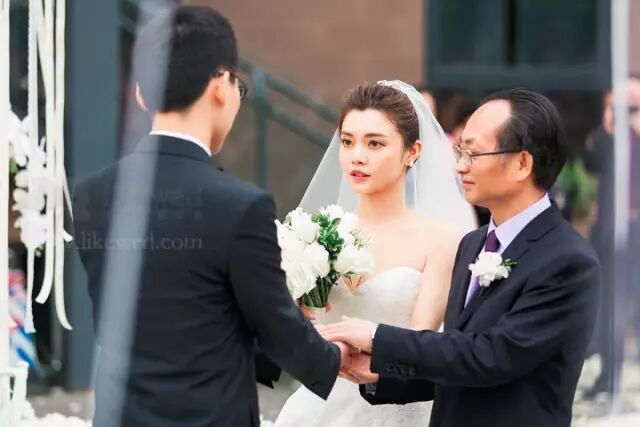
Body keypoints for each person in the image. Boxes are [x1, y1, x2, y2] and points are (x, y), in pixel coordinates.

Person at [72, 6, 347, 426]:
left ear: (142, 94)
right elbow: (277, 330)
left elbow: (164, 322)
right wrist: (334, 356)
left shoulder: (93, 194)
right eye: (240, 86)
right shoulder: (240, 206)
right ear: (221, 84)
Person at [320, 89, 600, 427]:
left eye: (473, 153)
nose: (459, 165)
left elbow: (492, 357)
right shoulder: (473, 243)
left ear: (522, 164)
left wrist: (378, 338)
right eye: (459, 150)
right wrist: (380, 375)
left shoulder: (568, 261)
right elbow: (457, 359)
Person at [274, 81, 476, 426]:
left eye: (375, 143)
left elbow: (422, 344)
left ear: (412, 152)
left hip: (396, 406)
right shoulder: (313, 233)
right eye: (347, 141)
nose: (357, 156)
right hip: (319, 407)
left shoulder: (441, 240)